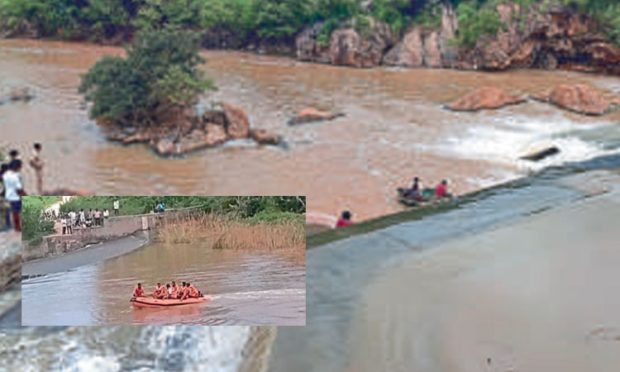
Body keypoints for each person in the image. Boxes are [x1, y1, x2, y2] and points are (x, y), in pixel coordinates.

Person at [2, 159, 26, 232]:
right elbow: (19, 190)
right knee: (17, 212)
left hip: (8, 195)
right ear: (16, 167)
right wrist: (25, 196)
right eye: (20, 167)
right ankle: (18, 227)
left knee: (13, 212)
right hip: (15, 197)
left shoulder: (5, 174)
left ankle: (14, 225)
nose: (20, 168)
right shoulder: (15, 177)